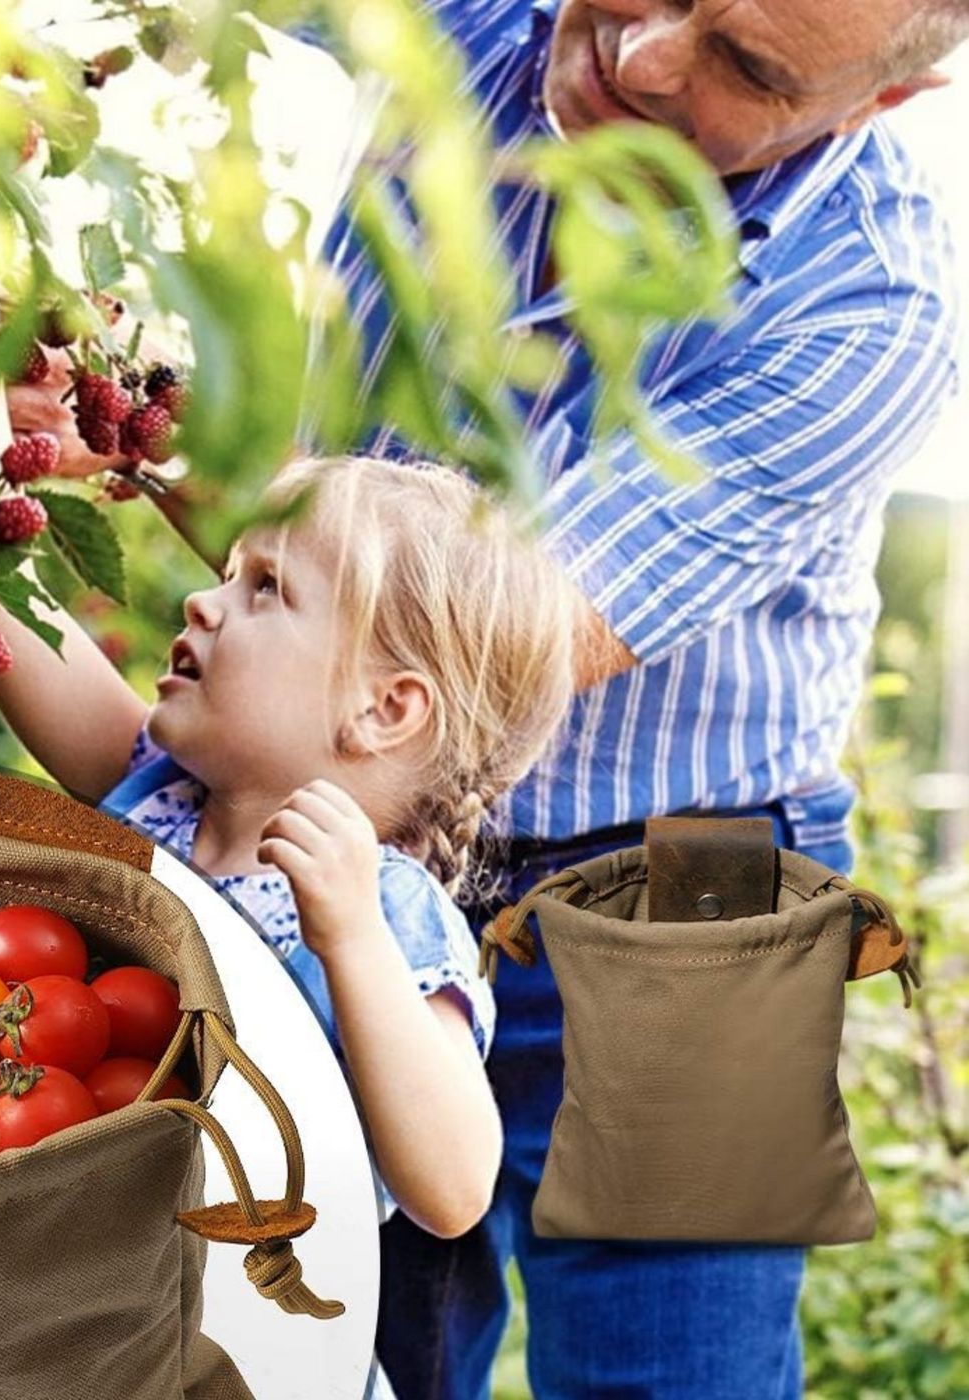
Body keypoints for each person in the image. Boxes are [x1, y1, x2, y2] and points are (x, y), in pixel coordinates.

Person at [309, 3, 963, 1399]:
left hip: (690, 875)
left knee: (671, 1373)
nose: (645, 54)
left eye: (747, 67)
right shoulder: (475, 24)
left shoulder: (870, 304)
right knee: (355, 1343)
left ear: (872, 108)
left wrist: (169, 467)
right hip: (381, 816)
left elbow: (489, 641)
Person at [0, 450, 581, 1347]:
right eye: (226, 573)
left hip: (238, 1350)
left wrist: (351, 940)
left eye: (266, 588)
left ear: (385, 710)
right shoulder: (154, 796)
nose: (206, 602)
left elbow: (456, 1188)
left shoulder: (383, 910)